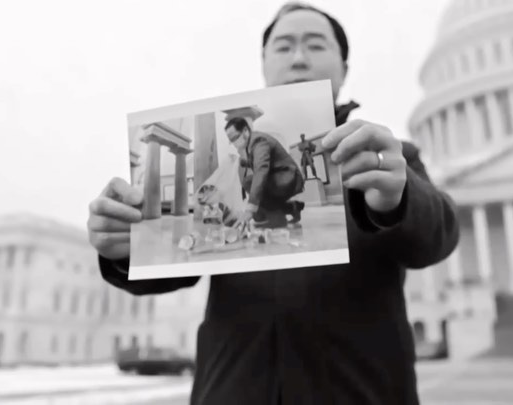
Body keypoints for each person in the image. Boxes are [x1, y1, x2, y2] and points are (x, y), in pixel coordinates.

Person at [88, 3, 459, 404]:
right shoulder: (236, 156)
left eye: (315, 45)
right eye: (283, 46)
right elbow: (177, 260)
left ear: (344, 69)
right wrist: (127, 247)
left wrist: (399, 200)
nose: (298, 58)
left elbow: (438, 239)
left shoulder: (385, 159)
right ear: (264, 66)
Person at [225, 117, 306, 229]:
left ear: (245, 131)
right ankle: (291, 208)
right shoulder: (250, 144)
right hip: (278, 177)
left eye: (235, 137)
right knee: (258, 213)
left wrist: (250, 209)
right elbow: (259, 161)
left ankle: (277, 218)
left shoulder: (258, 141)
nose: (234, 143)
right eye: (231, 140)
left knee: (250, 183)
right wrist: (242, 162)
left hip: (288, 178)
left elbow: (261, 170)